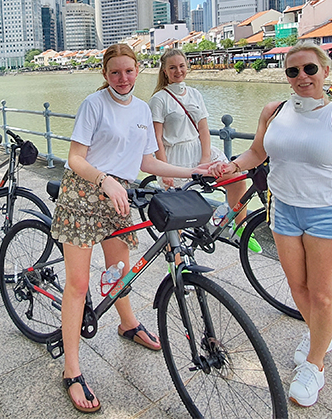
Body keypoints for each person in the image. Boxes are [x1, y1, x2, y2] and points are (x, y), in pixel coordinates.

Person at [209, 41, 332, 408]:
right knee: (297, 286)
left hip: (328, 213)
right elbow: (257, 153)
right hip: (283, 209)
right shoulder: (273, 111)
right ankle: (320, 333)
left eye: (309, 69)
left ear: (325, 72)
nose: (302, 77)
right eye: (293, 71)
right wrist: (232, 166)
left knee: (322, 293)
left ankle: (314, 364)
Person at [51, 44, 207, 414]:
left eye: (129, 71)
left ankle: (128, 324)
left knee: (119, 272)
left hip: (118, 194)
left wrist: (194, 171)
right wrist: (104, 179)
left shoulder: (141, 110)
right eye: (115, 73)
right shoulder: (94, 104)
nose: (122, 79)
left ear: (139, 70)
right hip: (85, 193)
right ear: (105, 74)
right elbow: (75, 157)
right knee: (78, 285)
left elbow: (147, 161)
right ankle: (71, 370)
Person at [148, 49, 248, 235]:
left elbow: (203, 129)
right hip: (174, 156)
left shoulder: (194, 94)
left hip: (199, 151)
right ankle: (176, 260)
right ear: (165, 71)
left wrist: (205, 158)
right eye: (172, 67)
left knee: (237, 179)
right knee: (176, 210)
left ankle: (239, 226)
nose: (178, 71)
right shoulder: (158, 99)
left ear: (187, 67)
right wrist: (163, 169)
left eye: (181, 66)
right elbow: (157, 138)